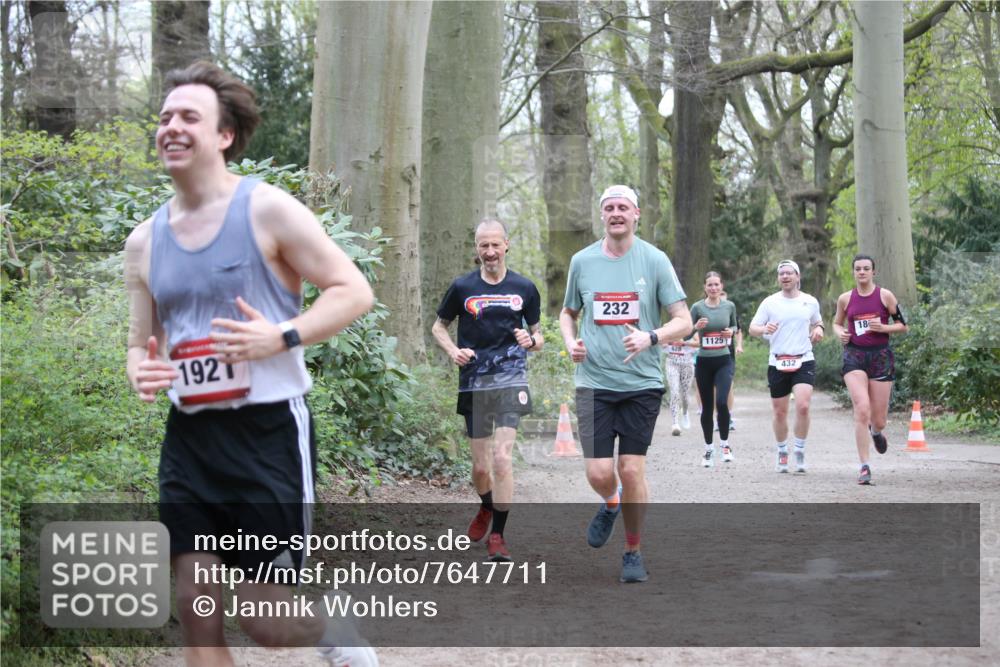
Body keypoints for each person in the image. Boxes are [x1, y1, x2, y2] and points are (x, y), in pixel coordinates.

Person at [125, 62, 377, 667]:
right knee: (198, 613)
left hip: (267, 435)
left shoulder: (268, 211)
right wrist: (141, 368)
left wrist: (282, 336)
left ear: (224, 135)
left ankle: (337, 638)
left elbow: (352, 290)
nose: (172, 127)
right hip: (189, 442)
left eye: (189, 116)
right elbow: (141, 343)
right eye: (164, 118)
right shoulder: (144, 242)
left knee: (263, 620)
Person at [560, 185, 691, 583]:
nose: (616, 213)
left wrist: (651, 336)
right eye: (609, 208)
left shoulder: (654, 260)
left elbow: (683, 320)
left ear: (637, 214)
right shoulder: (582, 261)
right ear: (602, 215)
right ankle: (611, 503)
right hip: (594, 383)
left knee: (631, 469)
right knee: (600, 474)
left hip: (641, 382)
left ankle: (633, 550)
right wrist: (570, 342)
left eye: (623, 208)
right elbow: (568, 313)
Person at [431, 219, 542, 562]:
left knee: (501, 458)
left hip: (511, 377)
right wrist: (453, 352)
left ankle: (498, 535)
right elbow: (438, 327)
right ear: (476, 249)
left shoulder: (525, 287)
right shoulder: (462, 287)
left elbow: (539, 337)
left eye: (495, 245)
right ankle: (485, 505)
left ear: (507, 244)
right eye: (484, 246)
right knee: (480, 468)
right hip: (475, 381)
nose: (490, 252)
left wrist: (531, 339)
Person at [832, 254, 908, 485]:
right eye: (858, 269)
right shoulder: (846, 299)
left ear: (873, 272)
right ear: (854, 272)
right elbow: (836, 323)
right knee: (861, 409)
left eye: (866, 268)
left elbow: (903, 325)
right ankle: (864, 466)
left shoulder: (885, 296)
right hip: (854, 356)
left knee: (879, 419)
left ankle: (876, 433)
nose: (862, 272)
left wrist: (883, 327)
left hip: (881, 357)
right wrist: (840, 333)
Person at [748, 260, 824, 474]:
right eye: (781, 274)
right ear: (778, 278)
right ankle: (782, 451)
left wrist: (819, 329)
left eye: (789, 273)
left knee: (803, 406)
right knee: (780, 412)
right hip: (778, 360)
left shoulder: (810, 301)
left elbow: (818, 322)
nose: (785, 277)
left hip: (803, 359)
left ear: (798, 277)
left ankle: (799, 449)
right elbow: (753, 328)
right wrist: (764, 327)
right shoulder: (770, 302)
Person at [690, 272, 738, 467]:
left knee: (722, 402)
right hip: (703, 362)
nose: (713, 288)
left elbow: (735, 325)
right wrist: (695, 326)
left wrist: (731, 332)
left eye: (716, 284)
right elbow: (686, 332)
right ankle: (709, 448)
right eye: (709, 285)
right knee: (707, 408)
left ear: (721, 286)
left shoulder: (729, 306)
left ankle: (725, 445)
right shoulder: (697, 307)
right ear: (705, 287)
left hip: (724, 360)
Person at [663, 334, 696, 436]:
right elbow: (661, 342)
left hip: (687, 364)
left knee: (685, 395)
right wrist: (666, 342)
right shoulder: (669, 328)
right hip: (672, 363)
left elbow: (699, 343)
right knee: (674, 391)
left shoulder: (691, 329)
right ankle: (675, 423)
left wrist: (685, 343)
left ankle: (685, 412)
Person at [720, 290, 743, 432]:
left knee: (728, 386)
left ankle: (727, 417)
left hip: (728, 354)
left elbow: (738, 330)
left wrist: (739, 345)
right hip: (710, 354)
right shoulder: (703, 309)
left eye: (723, 292)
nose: (720, 295)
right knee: (715, 388)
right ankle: (718, 417)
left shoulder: (731, 311)